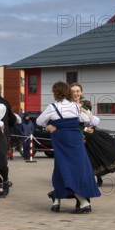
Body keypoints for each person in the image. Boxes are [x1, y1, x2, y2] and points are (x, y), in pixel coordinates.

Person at [36, 81, 100, 214]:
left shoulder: (52, 107)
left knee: (64, 168)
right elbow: (87, 120)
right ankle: (58, 198)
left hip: (61, 140)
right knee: (77, 168)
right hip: (76, 139)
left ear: (55, 93)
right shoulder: (75, 106)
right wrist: (87, 116)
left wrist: (48, 126)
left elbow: (39, 121)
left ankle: (83, 202)